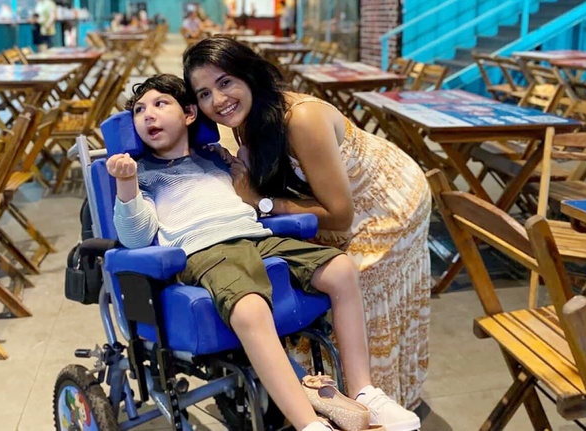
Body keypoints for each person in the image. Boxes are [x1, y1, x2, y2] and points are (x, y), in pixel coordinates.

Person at [108, 74, 421, 431]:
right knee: (251, 307)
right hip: (205, 251)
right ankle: (309, 424)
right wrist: (126, 185)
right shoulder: (142, 174)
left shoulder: (216, 160)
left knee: (341, 268)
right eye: (139, 110)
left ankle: (365, 392)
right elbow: (135, 237)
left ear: (190, 114)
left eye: (160, 104)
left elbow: (250, 199)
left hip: (257, 237)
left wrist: (242, 168)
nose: (148, 114)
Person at [183, 37, 431, 409]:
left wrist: (260, 201)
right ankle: (321, 397)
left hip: (387, 201)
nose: (218, 100)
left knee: (357, 284)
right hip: (329, 200)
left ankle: (372, 405)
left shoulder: (301, 119)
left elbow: (340, 217)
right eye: (204, 94)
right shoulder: (246, 118)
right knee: (306, 274)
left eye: (225, 82)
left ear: (249, 75)